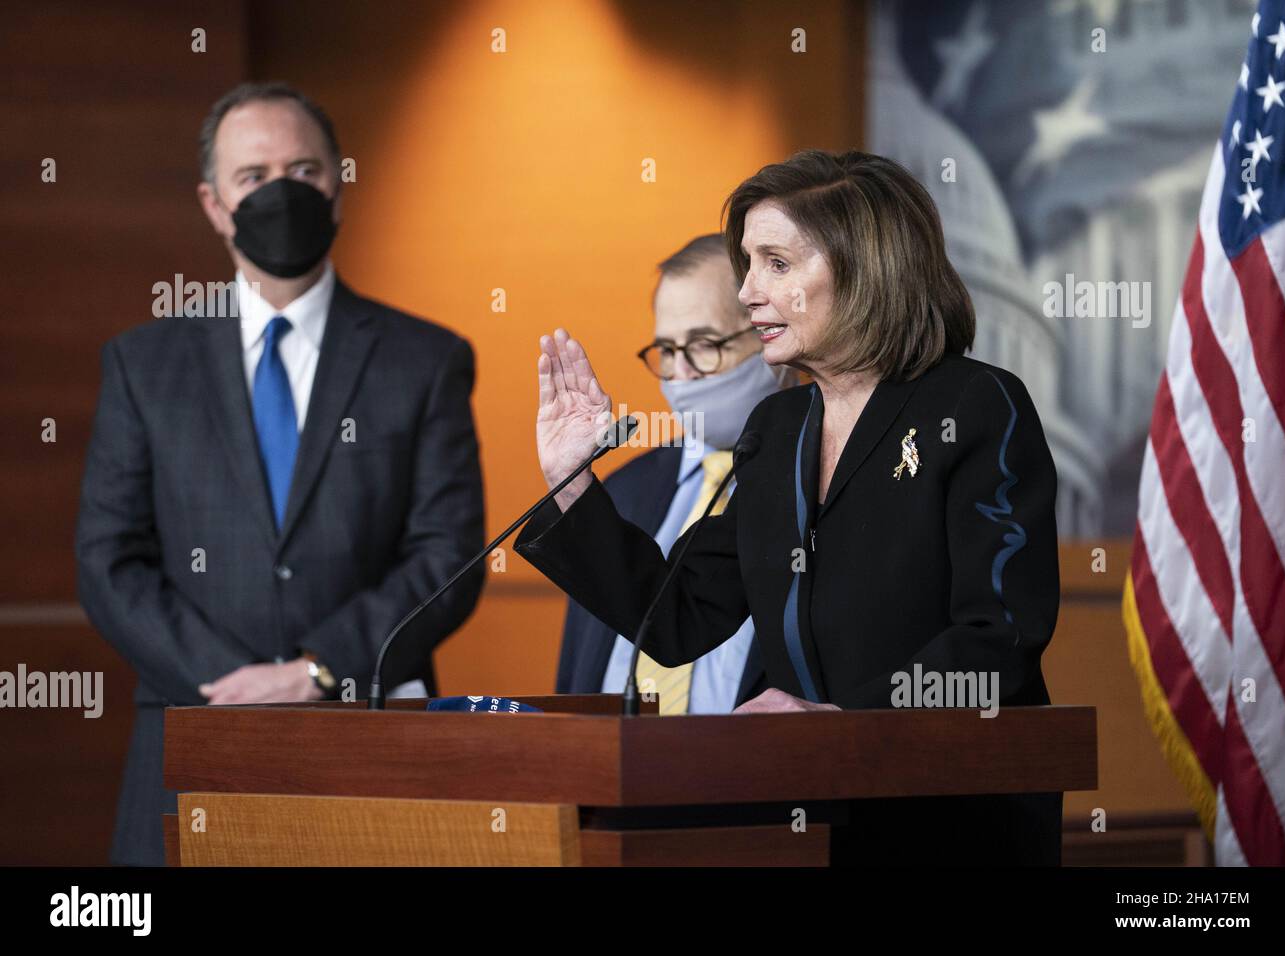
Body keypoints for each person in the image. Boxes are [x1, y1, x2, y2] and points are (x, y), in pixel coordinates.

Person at [515, 149, 1063, 864]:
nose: (747, 292)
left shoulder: (974, 405)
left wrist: (848, 723)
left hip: (947, 823)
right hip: (802, 822)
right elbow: (678, 615)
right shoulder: (778, 430)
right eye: (748, 264)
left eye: (776, 263)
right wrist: (572, 482)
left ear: (865, 269)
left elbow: (1000, 637)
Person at [75, 82, 485, 866]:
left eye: (303, 170)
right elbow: (108, 561)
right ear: (213, 202)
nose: (281, 193)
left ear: (338, 182)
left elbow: (447, 556)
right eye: (253, 178)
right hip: (192, 742)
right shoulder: (143, 365)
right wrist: (232, 681)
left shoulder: (424, 361)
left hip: (368, 742)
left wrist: (316, 671)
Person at [558, 234, 791, 713]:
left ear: (768, 331)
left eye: (704, 345)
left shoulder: (817, 481)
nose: (681, 375)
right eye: (666, 350)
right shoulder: (619, 493)